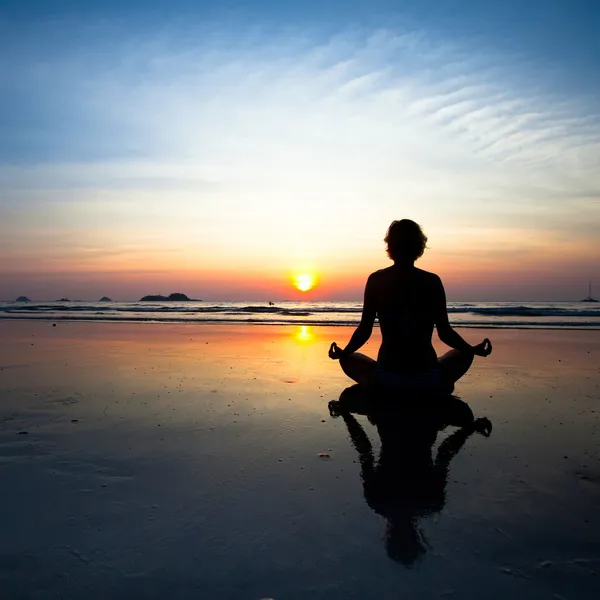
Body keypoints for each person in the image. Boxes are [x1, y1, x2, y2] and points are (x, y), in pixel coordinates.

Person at [329, 219, 492, 394]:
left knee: (347, 358)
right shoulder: (432, 281)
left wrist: (344, 352)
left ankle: (374, 385)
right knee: (464, 353)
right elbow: (445, 333)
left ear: (390, 246)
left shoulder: (376, 280)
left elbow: (364, 330)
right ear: (420, 246)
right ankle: (438, 385)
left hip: (386, 377)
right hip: (428, 377)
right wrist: (472, 350)